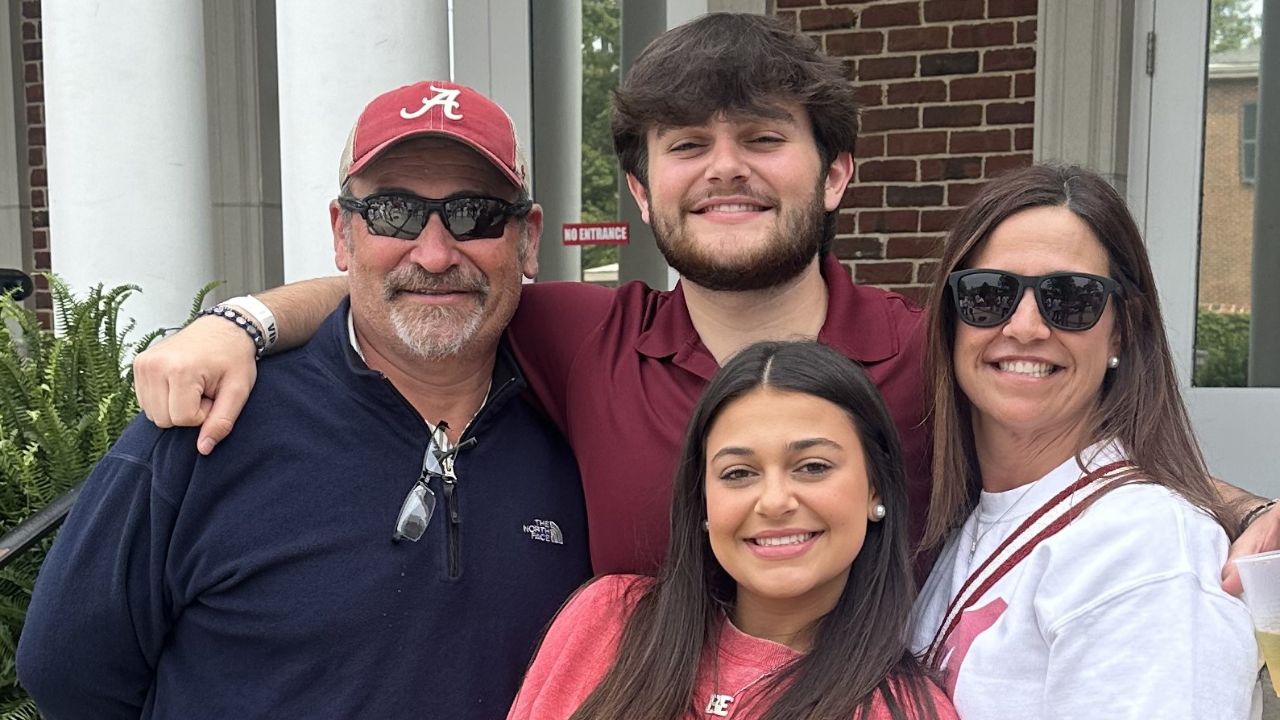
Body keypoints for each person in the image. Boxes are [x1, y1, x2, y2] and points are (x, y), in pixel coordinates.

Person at [129, 13, 1279, 582]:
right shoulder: (575, 333)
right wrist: (237, 322)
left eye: (761, 138)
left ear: (831, 173)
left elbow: (1061, 417)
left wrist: (1224, 507)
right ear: (638, 189)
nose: (723, 166)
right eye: (687, 144)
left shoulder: (924, 347)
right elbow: (411, 275)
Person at [16, 81, 591, 719]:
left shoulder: (579, 433)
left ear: (528, 239)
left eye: (475, 214)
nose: (433, 254)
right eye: (393, 213)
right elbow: (67, 677)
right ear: (342, 234)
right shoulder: (204, 432)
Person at [908, 165, 1260, 718]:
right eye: (988, 294)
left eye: (1069, 298)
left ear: (1120, 328)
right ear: (952, 321)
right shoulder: (972, 521)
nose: (1024, 327)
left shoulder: (1143, 545)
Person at [509, 340, 956, 720]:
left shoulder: (904, 710)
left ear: (876, 489)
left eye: (813, 466)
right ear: (703, 502)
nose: (776, 501)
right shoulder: (605, 620)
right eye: (739, 473)